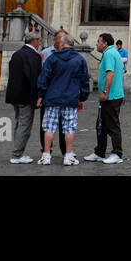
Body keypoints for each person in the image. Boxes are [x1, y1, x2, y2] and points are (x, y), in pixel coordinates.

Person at [35, 30, 91, 166]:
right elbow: (85, 81)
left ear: (62, 44)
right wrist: (82, 98)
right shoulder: (79, 59)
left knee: (49, 127)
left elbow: (44, 78)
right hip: (70, 98)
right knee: (69, 128)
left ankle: (46, 155)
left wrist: (40, 95)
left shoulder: (52, 58)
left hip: (52, 98)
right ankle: (68, 155)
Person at [86, 33, 125, 164]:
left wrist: (105, 92)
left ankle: (117, 154)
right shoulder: (113, 52)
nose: (96, 44)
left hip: (111, 96)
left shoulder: (109, 54)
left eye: (98, 41)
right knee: (101, 125)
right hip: (112, 95)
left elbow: (110, 74)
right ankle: (100, 152)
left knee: (112, 125)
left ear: (105, 43)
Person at [5, 30, 43, 163]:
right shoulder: (33, 56)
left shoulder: (17, 54)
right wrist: (38, 96)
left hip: (14, 95)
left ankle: (18, 152)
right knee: (24, 125)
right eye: (39, 41)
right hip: (26, 96)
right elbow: (34, 79)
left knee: (19, 123)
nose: (40, 43)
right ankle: (17, 155)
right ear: (35, 41)